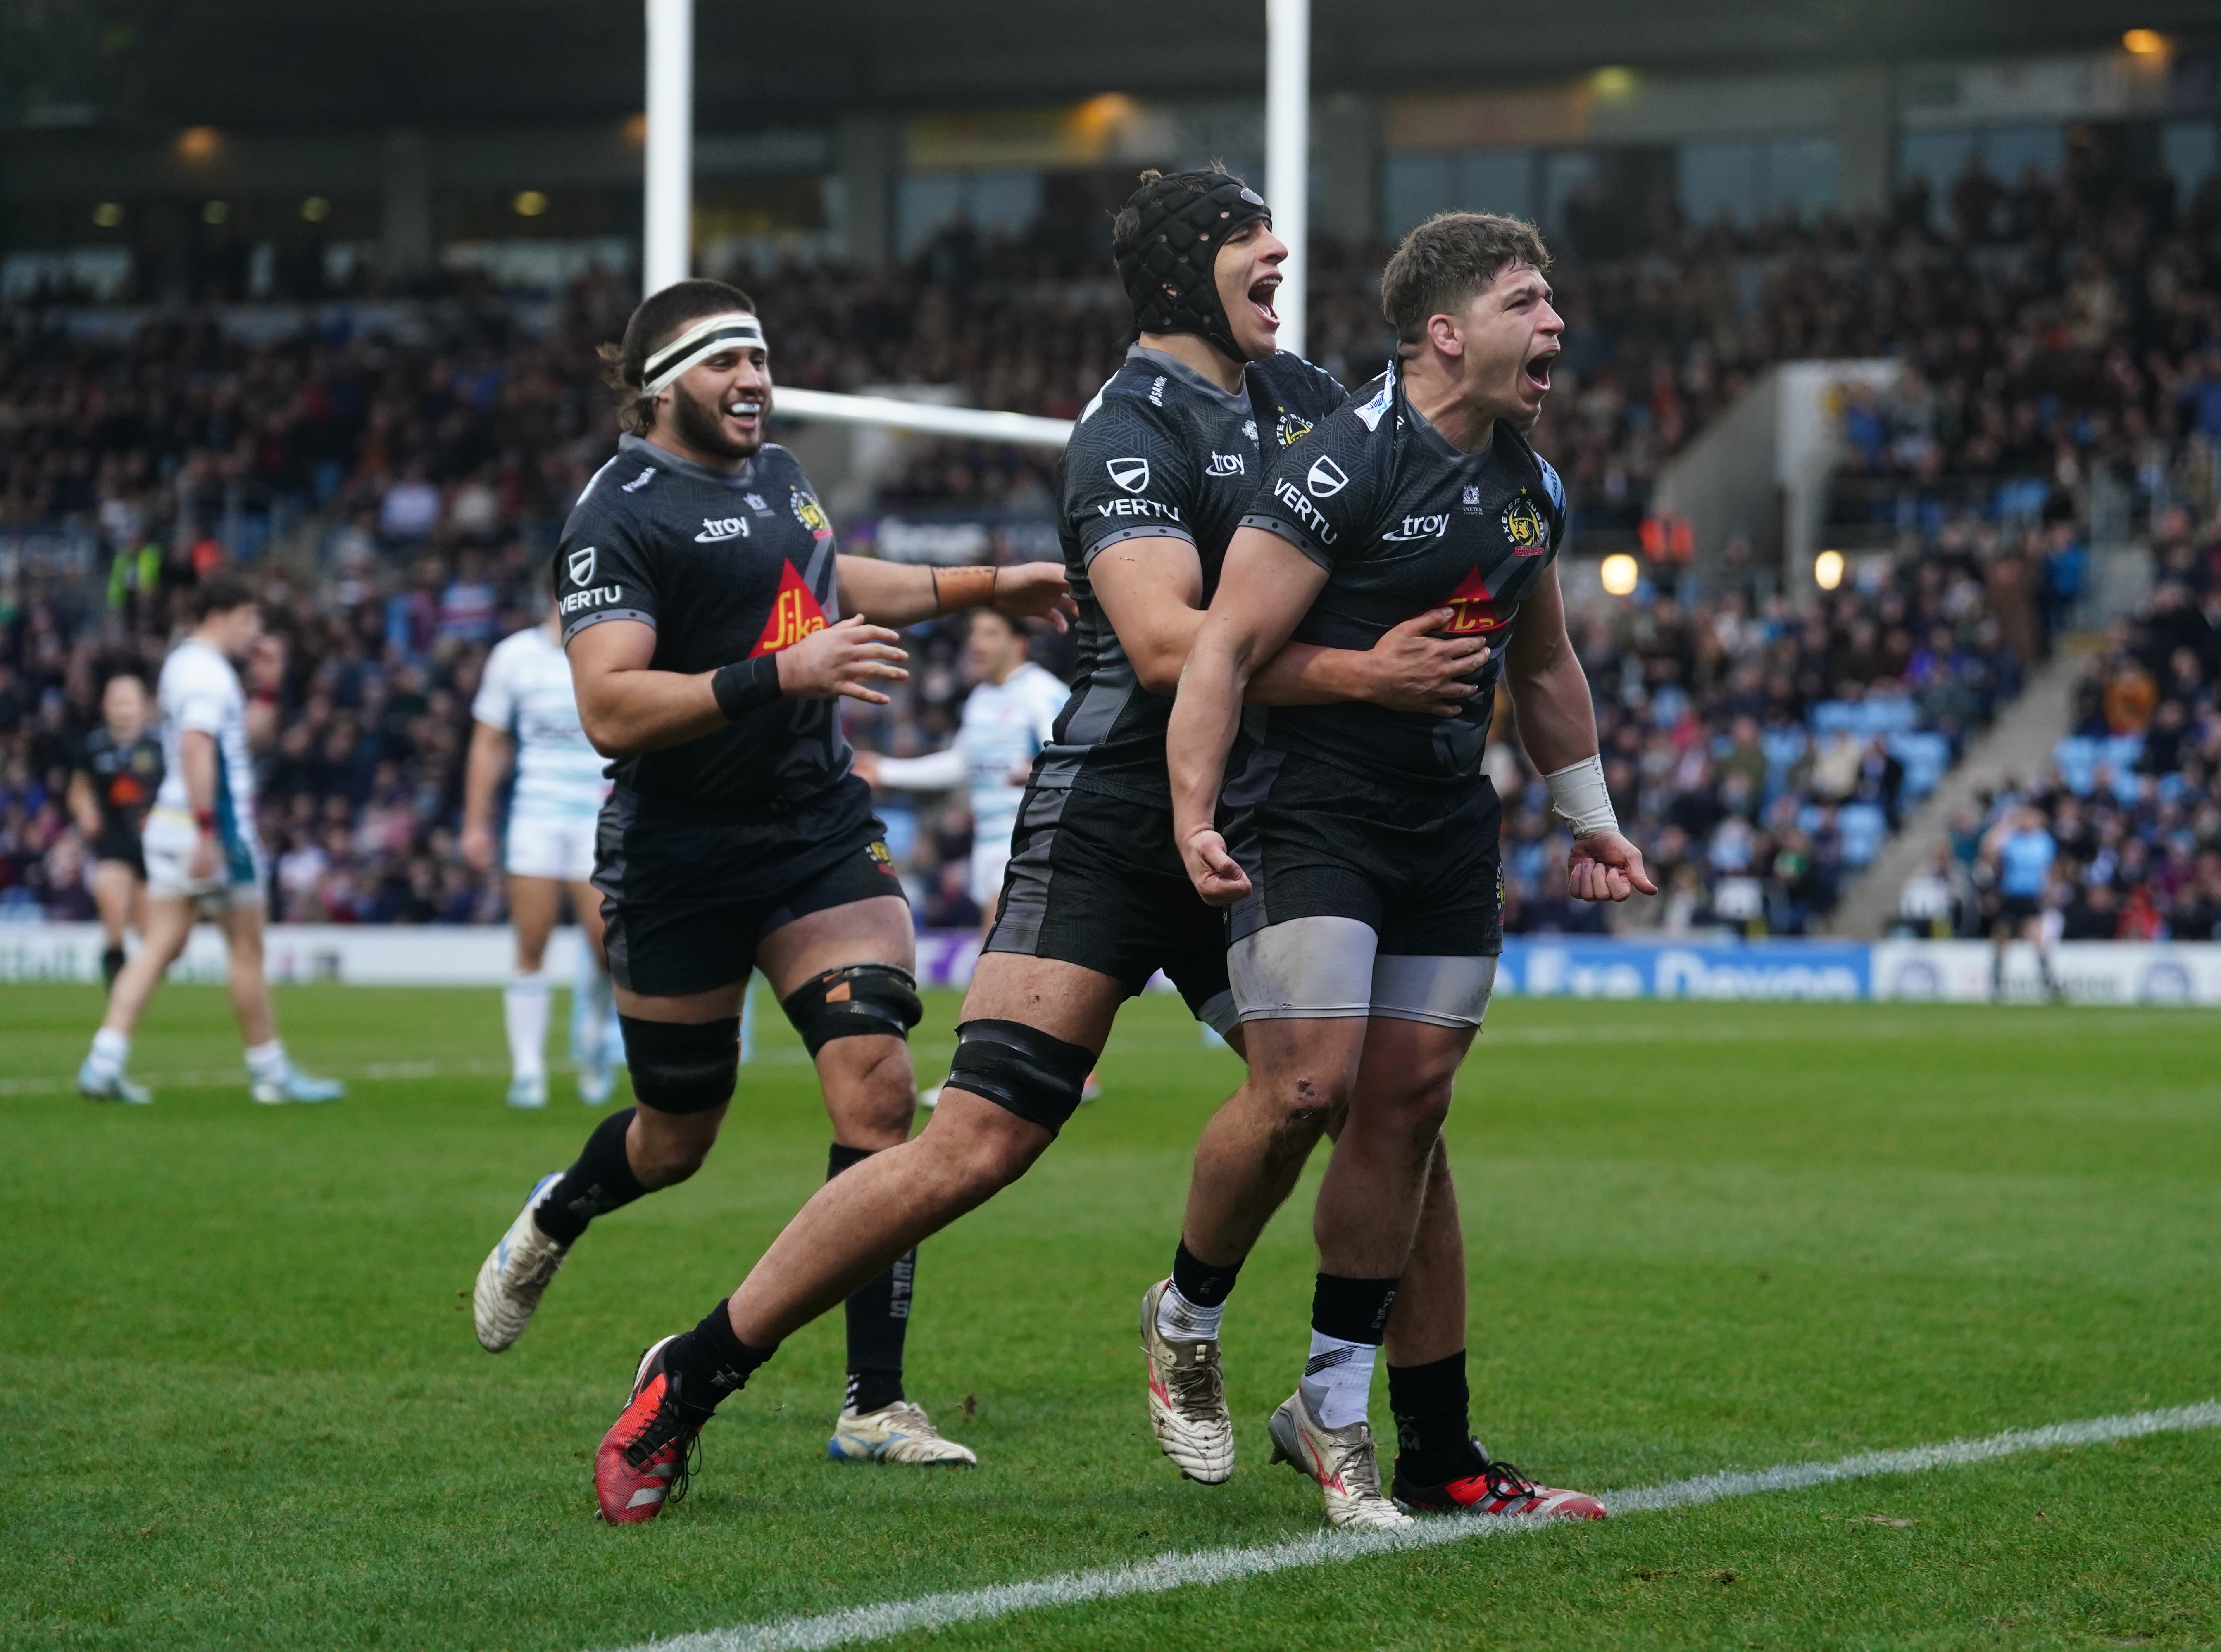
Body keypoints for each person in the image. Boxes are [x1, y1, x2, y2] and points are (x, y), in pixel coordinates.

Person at [581, 170, 1480, 1526]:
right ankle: (689, 1378)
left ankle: (1424, 1441)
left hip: (1270, 826)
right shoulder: (1125, 429)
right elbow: (1173, 650)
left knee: (1390, 1113)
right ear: (1188, 274)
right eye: (1259, 254)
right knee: (974, 1149)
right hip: (1120, 821)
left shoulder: (1307, 405)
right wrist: (1370, 675)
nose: (1285, 276)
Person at [468, 279, 1073, 1479]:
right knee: (675, 1136)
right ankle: (558, 1213)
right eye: (725, 363)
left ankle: (873, 1401)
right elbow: (609, 706)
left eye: (761, 358)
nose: (754, 380)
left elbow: (834, 581)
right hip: (678, 852)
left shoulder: (781, 471)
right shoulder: (615, 516)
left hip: (812, 830)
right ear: (657, 385)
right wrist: (780, 677)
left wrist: (982, 587)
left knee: (879, 1090)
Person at [1167, 212, 1654, 1528]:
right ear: (1444, 333)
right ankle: (1185, 1309)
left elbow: (1542, 662)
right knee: (1310, 1081)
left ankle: (1332, 1415)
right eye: (1524, 303)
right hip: (1306, 809)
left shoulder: (1528, 486)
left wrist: (1588, 815)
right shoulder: (1340, 467)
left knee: (1407, 1109)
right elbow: (1219, 650)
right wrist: (1193, 812)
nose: (1553, 326)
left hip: (1442, 822)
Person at [74, 579, 346, 1107]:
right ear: (220, 615)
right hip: (213, 828)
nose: (256, 632)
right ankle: (270, 1072)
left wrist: (268, 688)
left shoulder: (187, 665)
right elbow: (198, 749)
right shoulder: (206, 672)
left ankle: (103, 1061)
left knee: (160, 946)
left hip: (171, 822)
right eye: (249, 619)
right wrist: (207, 830)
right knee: (246, 950)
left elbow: (239, 739)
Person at [462, 601, 620, 1109]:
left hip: (597, 816)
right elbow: (487, 741)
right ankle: (527, 1070)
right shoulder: (514, 657)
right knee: (531, 942)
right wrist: (475, 823)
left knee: (605, 946)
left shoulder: (610, 652)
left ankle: (593, 1040)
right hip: (536, 814)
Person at [854, 609, 1069, 934]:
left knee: (997, 943)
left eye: (991, 633)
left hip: (1032, 835)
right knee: (1004, 949)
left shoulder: (1041, 692)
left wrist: (1039, 770)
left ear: (1020, 642)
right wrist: (886, 771)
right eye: (974, 634)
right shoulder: (981, 698)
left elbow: (1072, 758)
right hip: (989, 836)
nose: (977, 643)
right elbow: (960, 763)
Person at [67, 672, 162, 987]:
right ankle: (115, 951)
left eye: (129, 702)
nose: (123, 710)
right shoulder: (94, 747)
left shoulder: (160, 745)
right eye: (117, 702)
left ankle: (140, 979)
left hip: (155, 844)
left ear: (143, 706)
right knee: (113, 900)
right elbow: (79, 789)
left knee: (150, 929)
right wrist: (86, 812)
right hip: (113, 839)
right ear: (106, 707)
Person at [1981, 804, 2062, 1001]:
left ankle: (2049, 985)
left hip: (2031, 898)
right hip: (2011, 896)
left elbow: (2049, 870)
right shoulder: (2010, 839)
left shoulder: (2044, 841)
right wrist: (2005, 825)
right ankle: (1997, 985)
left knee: (2038, 942)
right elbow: (1988, 850)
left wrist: (2050, 892)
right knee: (2000, 941)